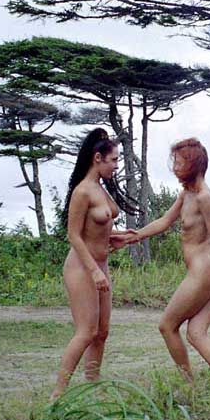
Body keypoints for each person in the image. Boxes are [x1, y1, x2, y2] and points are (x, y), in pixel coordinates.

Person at [115, 137, 210, 400]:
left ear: (193, 164)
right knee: (196, 333)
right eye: (174, 162)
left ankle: (189, 385)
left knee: (167, 325)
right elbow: (165, 220)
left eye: (179, 162)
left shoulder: (204, 197)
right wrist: (133, 236)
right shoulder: (186, 194)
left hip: (205, 271)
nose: (174, 167)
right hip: (205, 271)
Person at [50, 128, 135, 401]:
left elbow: (96, 230)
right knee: (86, 332)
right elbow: (74, 236)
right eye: (114, 160)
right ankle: (57, 396)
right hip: (82, 268)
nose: (116, 166)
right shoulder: (83, 191)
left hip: (100, 266)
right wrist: (94, 270)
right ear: (98, 158)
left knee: (102, 333)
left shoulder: (101, 189)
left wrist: (116, 237)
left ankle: (92, 386)